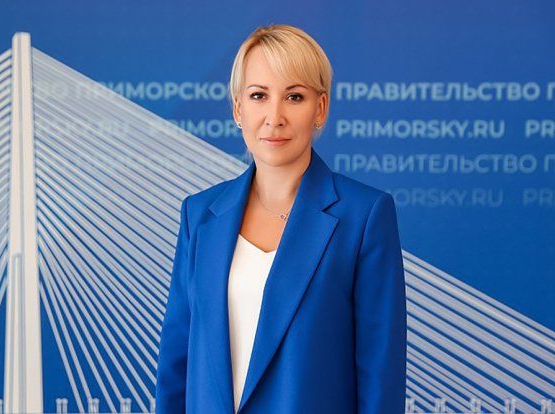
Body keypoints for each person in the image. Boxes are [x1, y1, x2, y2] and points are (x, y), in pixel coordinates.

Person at [155, 24, 407, 414]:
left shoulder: (364, 216)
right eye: (259, 95)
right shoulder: (199, 214)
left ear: (320, 108)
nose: (274, 116)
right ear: (238, 108)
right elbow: (176, 364)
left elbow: (380, 375)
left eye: (294, 96)